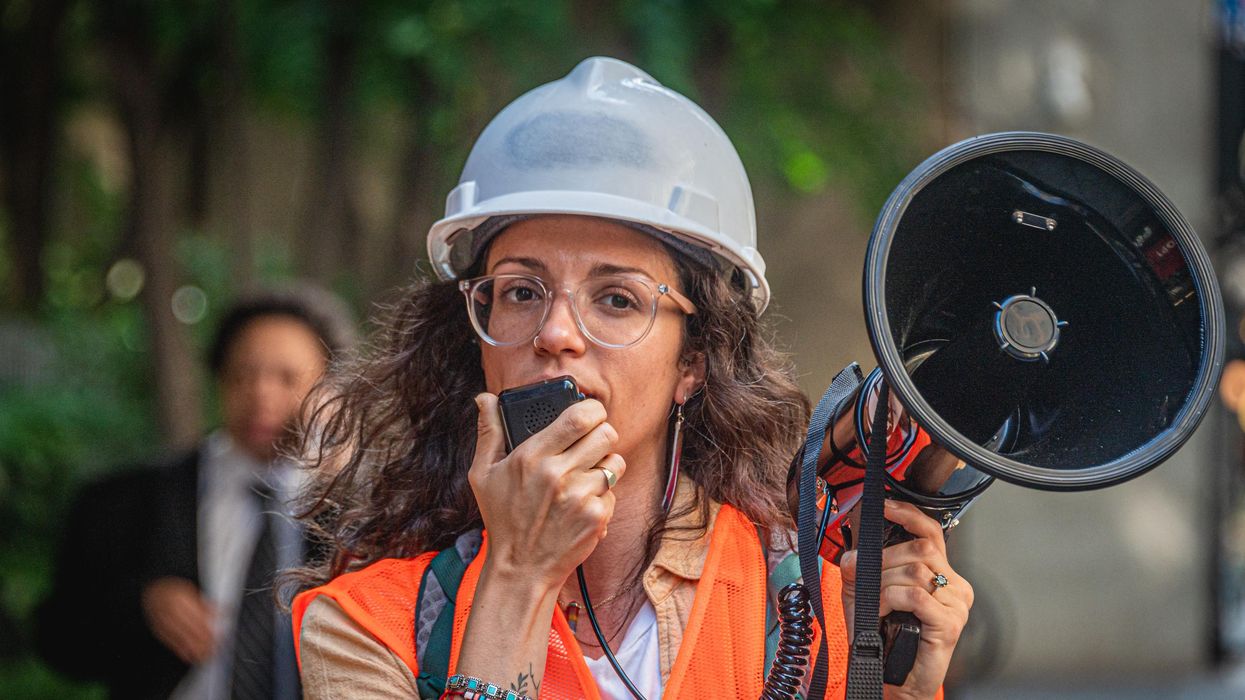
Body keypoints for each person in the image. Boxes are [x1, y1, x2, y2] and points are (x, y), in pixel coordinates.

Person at [290, 57, 971, 699]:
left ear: (694, 363)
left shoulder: (815, 608)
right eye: (522, 292)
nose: (554, 334)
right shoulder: (365, 623)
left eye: (616, 299)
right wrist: (519, 574)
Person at [35, 283, 356, 700]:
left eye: (287, 377)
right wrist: (141, 604)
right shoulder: (127, 502)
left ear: (330, 389)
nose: (260, 394)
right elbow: (57, 641)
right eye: (242, 374)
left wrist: (341, 465)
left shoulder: (357, 506)